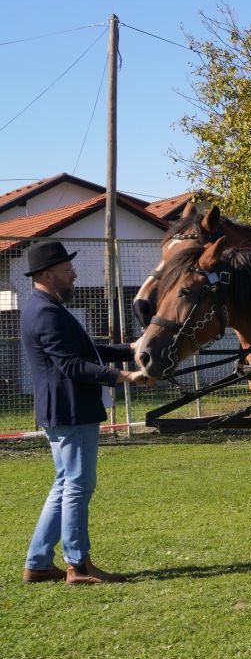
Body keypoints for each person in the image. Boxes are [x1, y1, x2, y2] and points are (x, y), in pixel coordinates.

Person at [20, 240, 151, 584]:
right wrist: (125, 376)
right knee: (78, 486)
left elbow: (87, 351)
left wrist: (130, 349)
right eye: (67, 271)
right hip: (71, 412)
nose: (73, 275)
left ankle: (38, 563)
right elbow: (72, 365)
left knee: (64, 485)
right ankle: (78, 565)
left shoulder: (44, 306)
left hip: (62, 411)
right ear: (48, 274)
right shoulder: (47, 312)